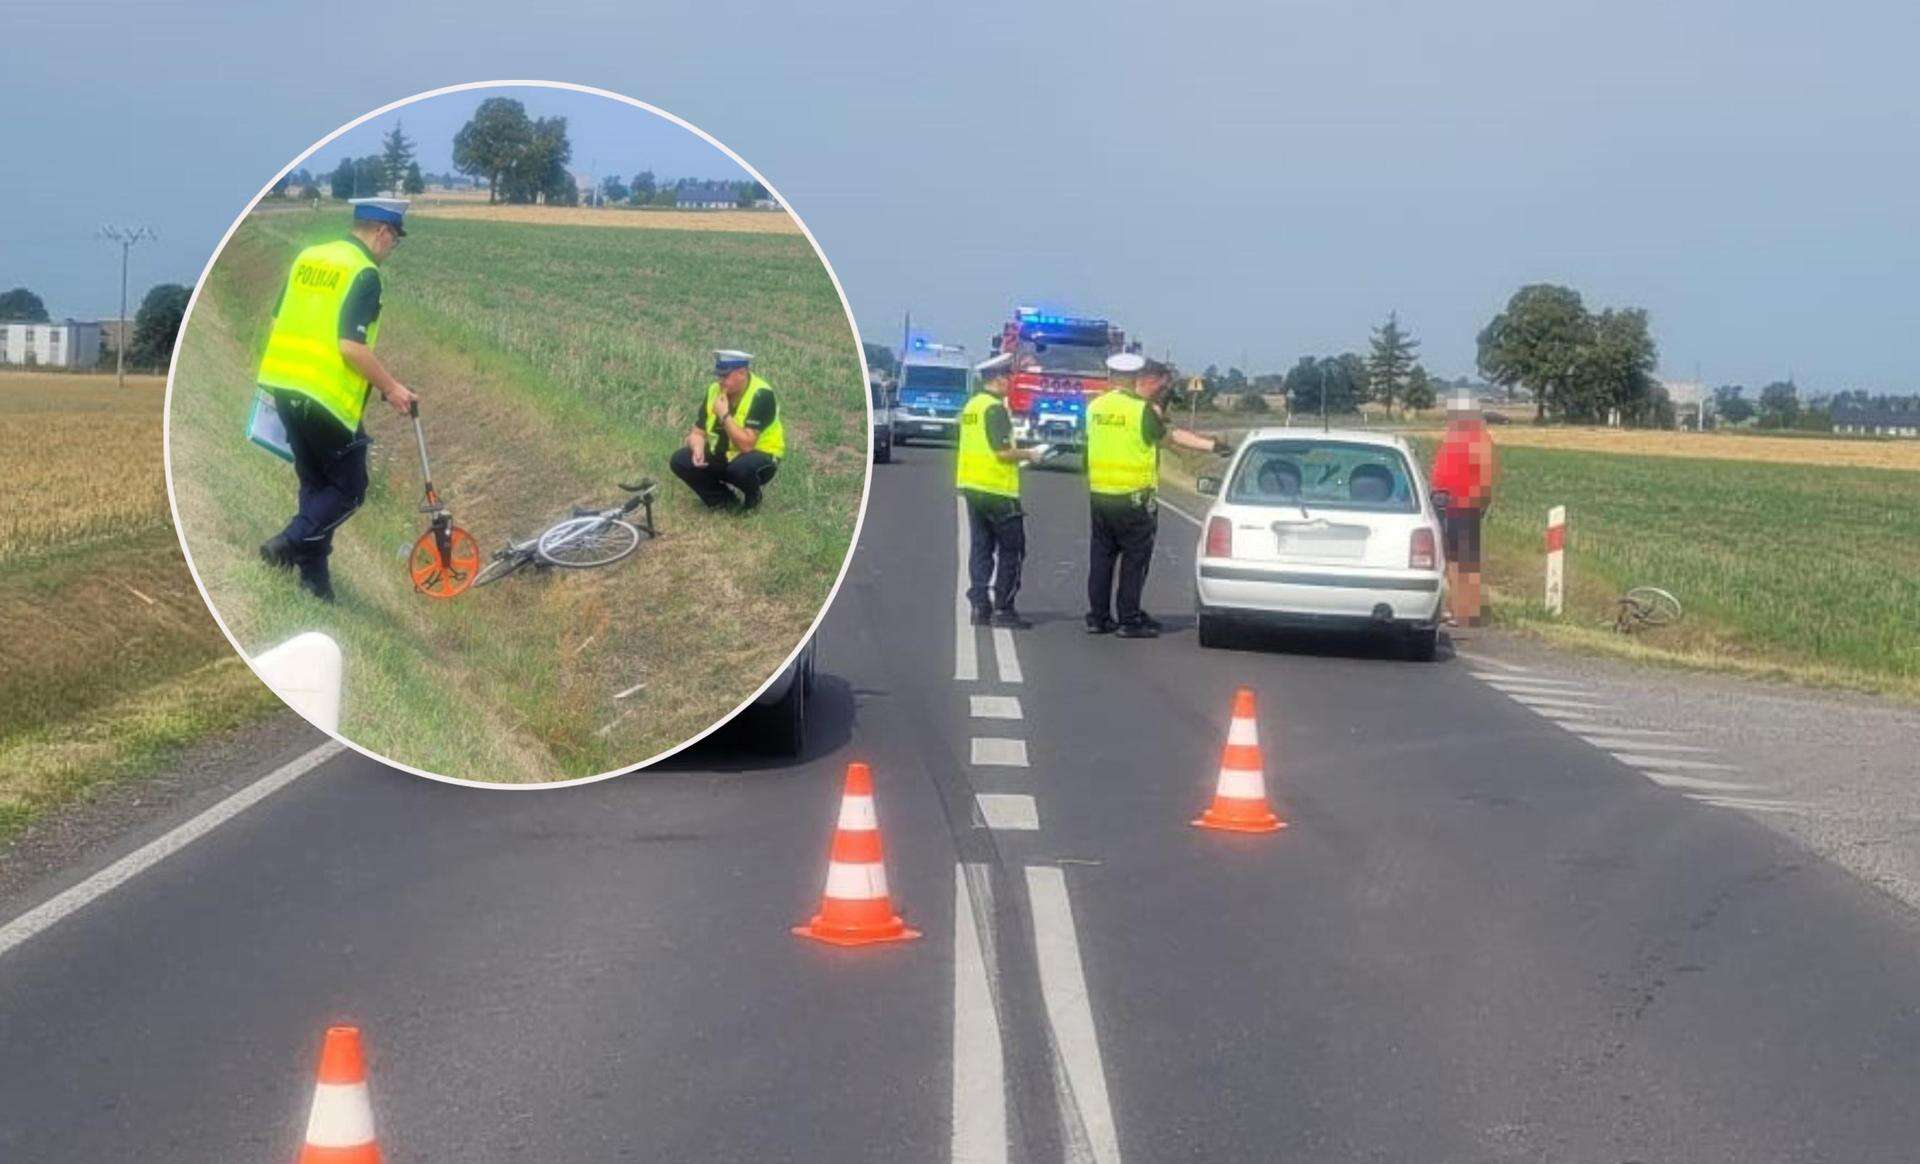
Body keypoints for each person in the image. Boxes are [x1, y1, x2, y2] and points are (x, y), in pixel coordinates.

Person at [257, 197, 418, 602]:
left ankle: (316, 584)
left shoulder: (310, 257)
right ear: (382, 233)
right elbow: (351, 346)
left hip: (283, 383)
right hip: (324, 394)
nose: (391, 251)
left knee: (316, 486)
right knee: (349, 489)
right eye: (394, 241)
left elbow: (277, 319)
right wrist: (393, 388)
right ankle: (286, 545)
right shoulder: (364, 273)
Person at [1084, 352, 1229, 638]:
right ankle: (1129, 619)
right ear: (1141, 379)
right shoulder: (1141, 411)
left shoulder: (1095, 407)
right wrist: (1213, 446)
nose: (1163, 391)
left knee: (1101, 558)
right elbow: (1169, 439)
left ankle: (1098, 617)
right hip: (1134, 496)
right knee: (1135, 559)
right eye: (1161, 386)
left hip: (1100, 493)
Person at [955, 353, 1048, 628]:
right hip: (998, 489)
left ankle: (979, 604)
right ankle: (1004, 609)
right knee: (1013, 550)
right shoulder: (994, 409)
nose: (1011, 382)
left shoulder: (972, 405)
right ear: (998, 379)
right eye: (1008, 377)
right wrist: (1030, 454)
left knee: (981, 547)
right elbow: (1002, 450)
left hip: (974, 485)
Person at [669, 350, 785, 511]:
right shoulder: (714, 390)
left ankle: (752, 500)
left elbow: (746, 446)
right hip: (725, 454)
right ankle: (724, 502)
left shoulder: (761, 394)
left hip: (760, 456)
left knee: (740, 469)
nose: (720, 381)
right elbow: (696, 432)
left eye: (725, 376)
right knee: (680, 460)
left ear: (742, 373)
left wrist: (724, 415)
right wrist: (697, 446)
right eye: (719, 376)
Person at [1430, 387, 1497, 626]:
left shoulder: (1479, 438)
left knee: (1464, 559)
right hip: (1443, 501)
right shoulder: (1453, 435)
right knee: (1447, 557)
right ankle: (1453, 607)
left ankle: (1465, 611)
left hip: (1465, 503)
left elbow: (1486, 475)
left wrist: (1481, 502)